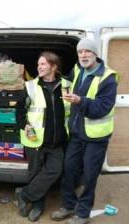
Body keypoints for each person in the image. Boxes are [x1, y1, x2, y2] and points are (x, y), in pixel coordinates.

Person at [51, 38, 118, 224]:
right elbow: (69, 83)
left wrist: (80, 101)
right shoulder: (78, 69)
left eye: (87, 51)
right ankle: (68, 205)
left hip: (96, 137)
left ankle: (82, 214)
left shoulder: (108, 77)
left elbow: (103, 107)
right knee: (69, 170)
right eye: (80, 52)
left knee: (89, 176)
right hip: (76, 134)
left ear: (95, 53)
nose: (83, 55)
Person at [15, 51, 71, 222]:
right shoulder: (30, 86)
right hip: (35, 140)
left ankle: (24, 194)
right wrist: (24, 125)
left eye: (43, 64)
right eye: (38, 64)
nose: (39, 67)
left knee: (55, 170)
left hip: (58, 141)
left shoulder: (67, 85)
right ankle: (38, 206)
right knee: (35, 173)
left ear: (53, 66)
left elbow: (72, 110)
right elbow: (19, 110)